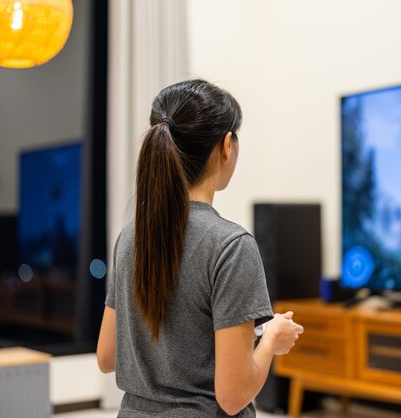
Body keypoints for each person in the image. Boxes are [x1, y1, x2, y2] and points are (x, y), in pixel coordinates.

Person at [96, 79, 304, 417]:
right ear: (226, 146)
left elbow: (107, 357)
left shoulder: (130, 236)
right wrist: (271, 340)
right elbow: (233, 396)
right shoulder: (231, 246)